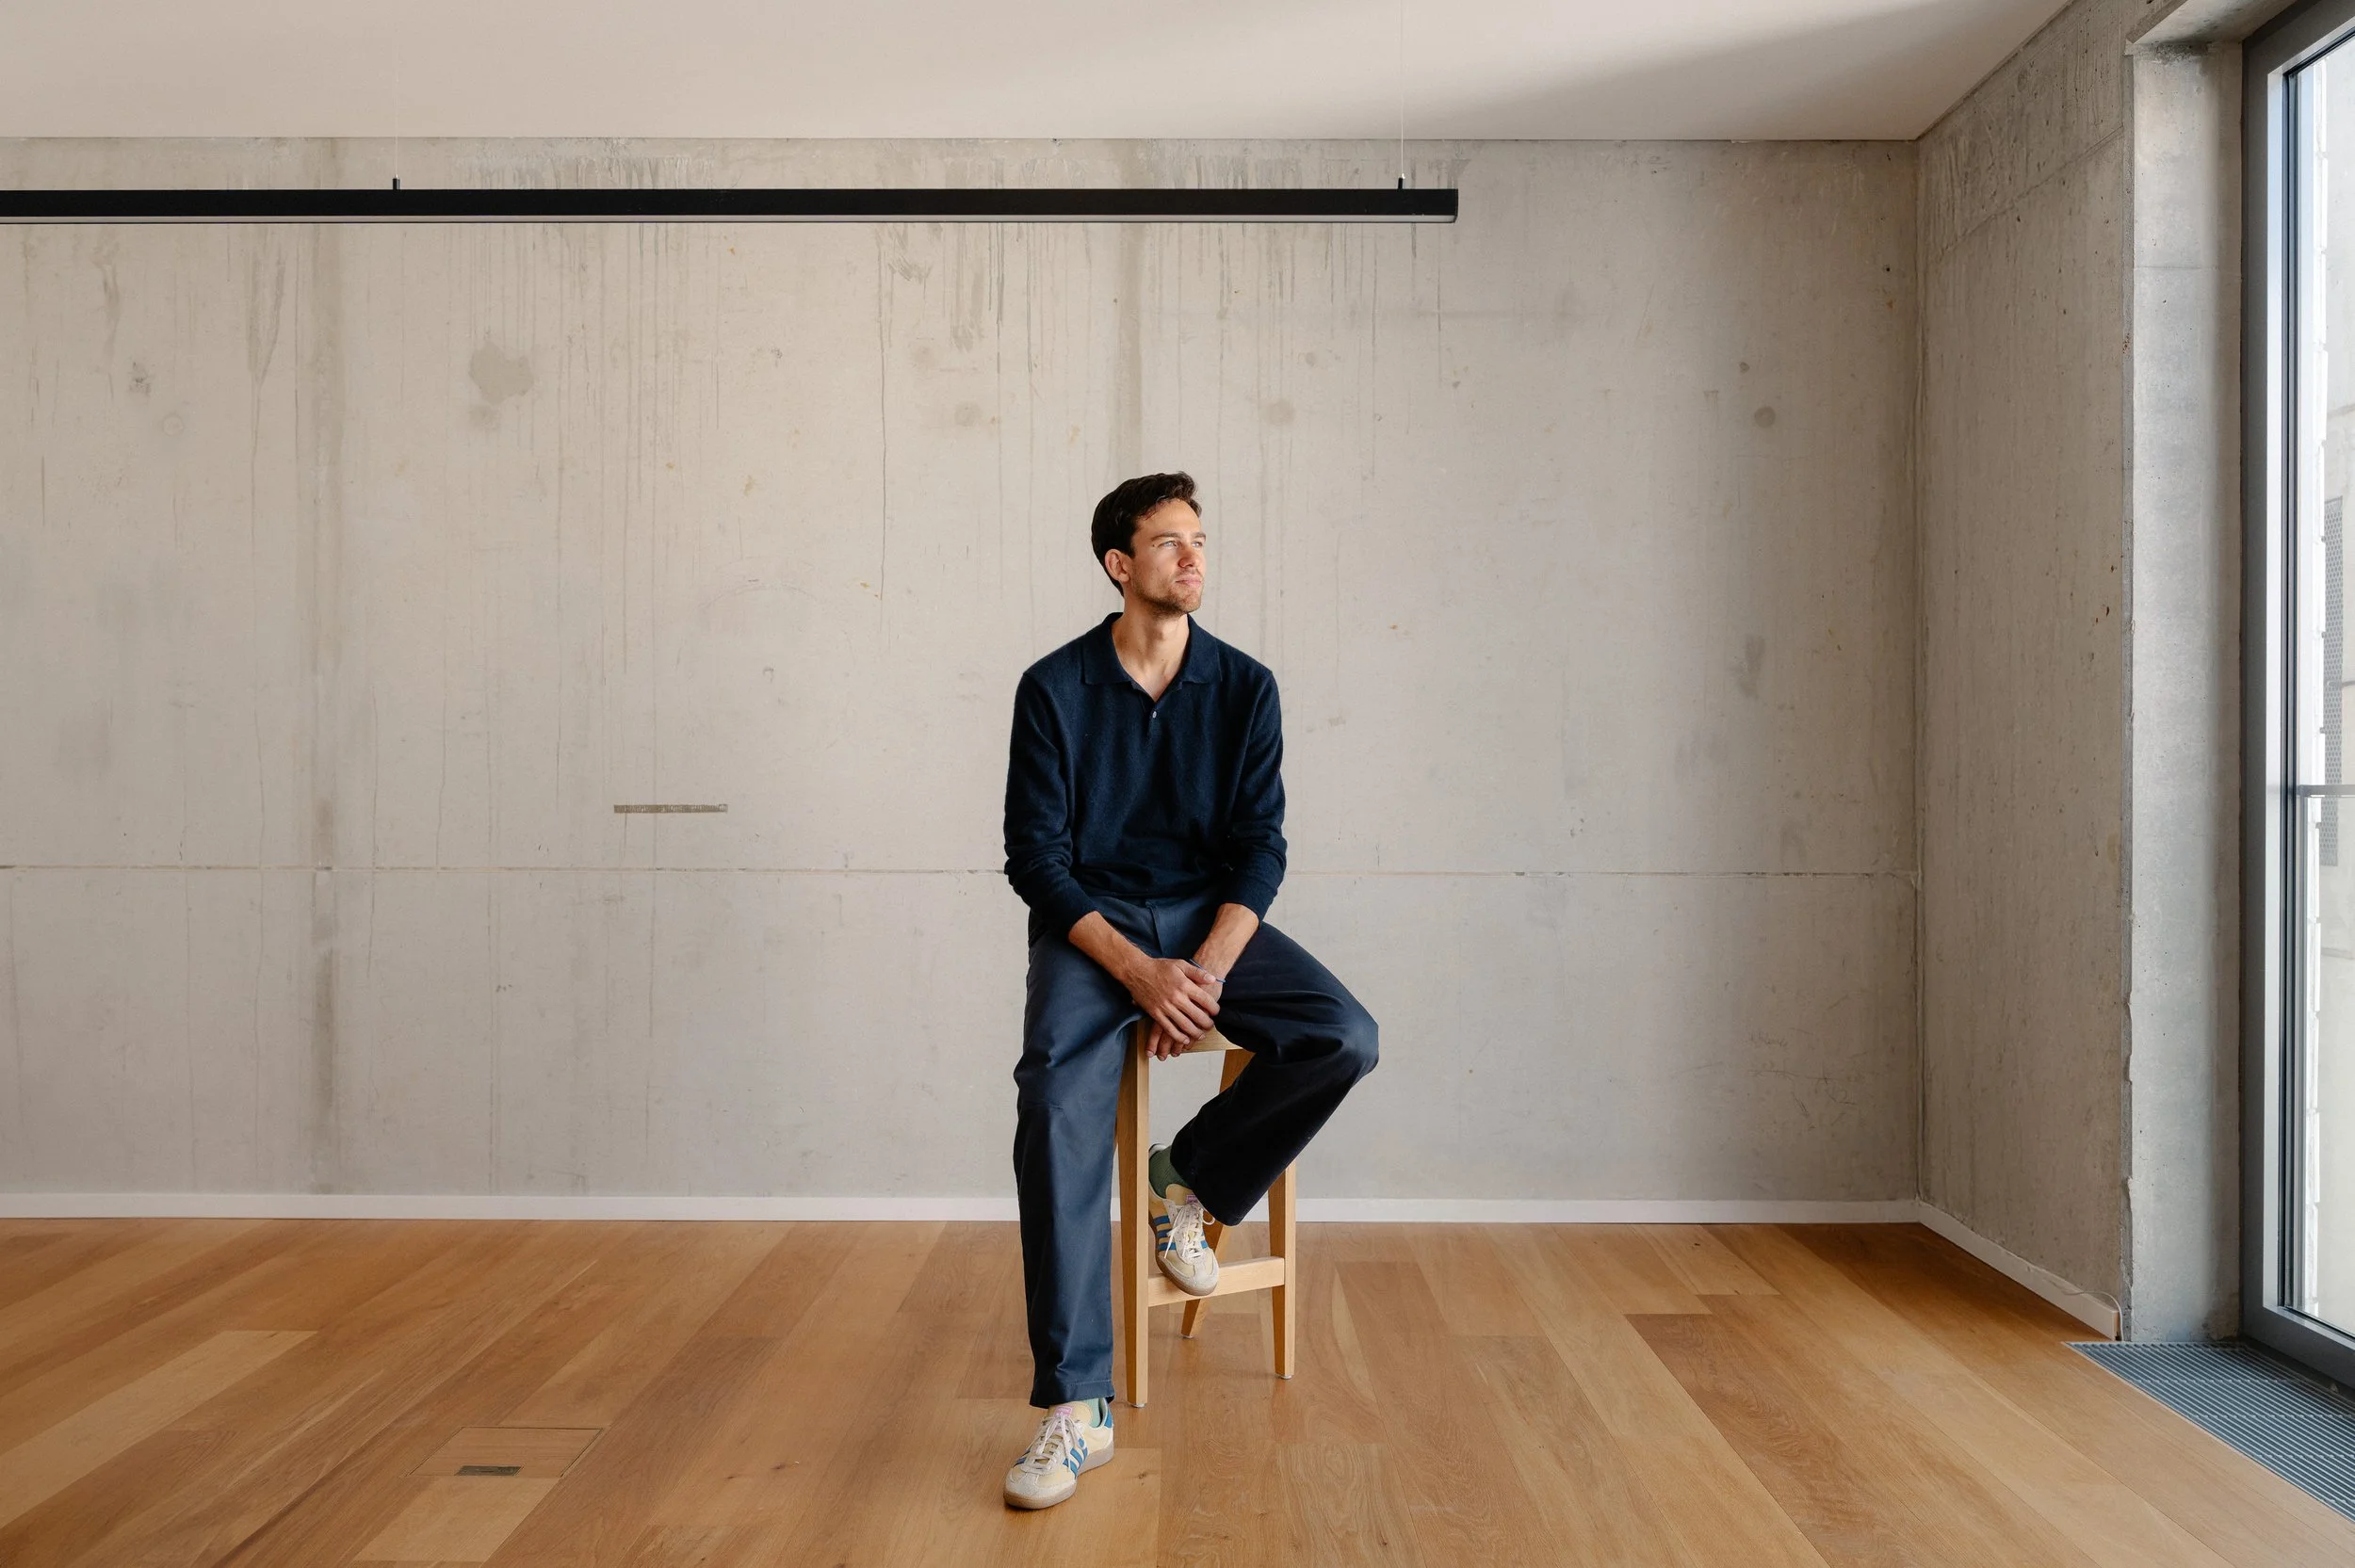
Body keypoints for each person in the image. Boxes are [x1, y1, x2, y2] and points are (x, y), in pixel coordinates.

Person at [998, 471, 1380, 1510]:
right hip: (1094, 933)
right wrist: (1136, 970)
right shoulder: (1053, 688)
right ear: (1121, 565)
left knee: (1342, 1034)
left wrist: (1201, 973)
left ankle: (1191, 1178)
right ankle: (1078, 1408)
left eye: (1201, 540)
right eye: (1170, 543)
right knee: (1053, 1108)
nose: (1193, 557)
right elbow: (1034, 859)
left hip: (1212, 925)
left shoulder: (1246, 687)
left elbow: (1261, 851)